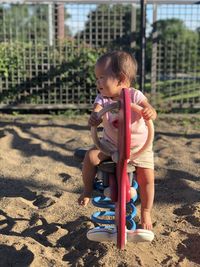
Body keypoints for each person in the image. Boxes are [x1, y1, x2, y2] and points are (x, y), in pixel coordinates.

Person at [78, 50, 157, 230]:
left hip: (139, 147)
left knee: (147, 178)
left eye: (101, 78)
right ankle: (87, 190)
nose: (97, 83)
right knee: (90, 156)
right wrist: (94, 117)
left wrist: (150, 112)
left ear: (121, 79)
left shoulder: (135, 96)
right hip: (110, 145)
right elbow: (96, 112)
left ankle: (145, 211)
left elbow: (150, 110)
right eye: (97, 78)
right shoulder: (103, 99)